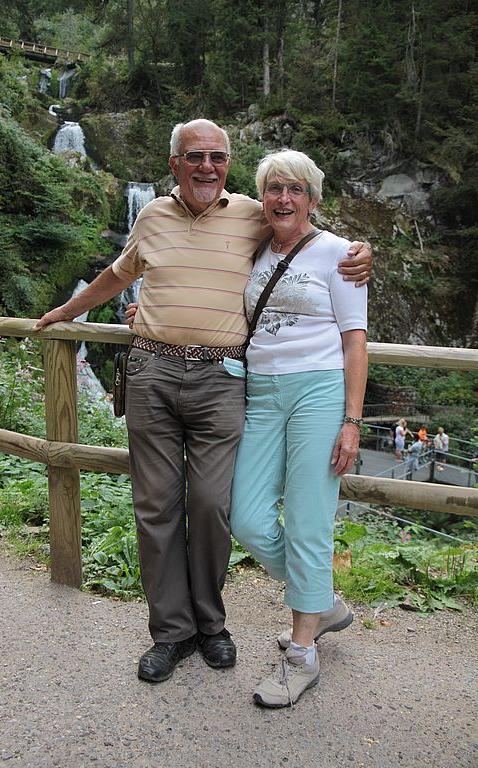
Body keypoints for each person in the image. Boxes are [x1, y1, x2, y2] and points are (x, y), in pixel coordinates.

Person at [33, 119, 372, 685]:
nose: (206, 167)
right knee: (156, 507)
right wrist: (67, 313)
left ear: (229, 164)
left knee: (216, 503)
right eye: (194, 156)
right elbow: (117, 275)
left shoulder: (253, 215)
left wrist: (363, 251)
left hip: (222, 377)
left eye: (217, 157)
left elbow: (306, 235)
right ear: (175, 163)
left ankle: (213, 624)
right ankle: (172, 632)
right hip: (152, 370)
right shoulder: (150, 216)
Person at [229, 148, 368, 708]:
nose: (284, 198)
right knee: (246, 517)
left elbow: (354, 341)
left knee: (309, 520)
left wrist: (351, 421)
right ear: (263, 197)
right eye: (274, 188)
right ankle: (321, 599)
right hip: (261, 392)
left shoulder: (341, 253)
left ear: (313, 198)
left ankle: (302, 655)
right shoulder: (256, 248)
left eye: (296, 189)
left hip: (319, 392)